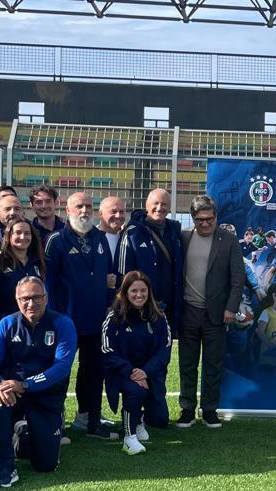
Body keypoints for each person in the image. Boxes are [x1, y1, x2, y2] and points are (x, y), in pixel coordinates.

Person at [0, 276, 77, 488]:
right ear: (17, 300)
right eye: (25, 299)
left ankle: (25, 433)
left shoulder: (63, 324)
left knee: (46, 466)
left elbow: (61, 367)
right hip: (12, 392)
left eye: (36, 297)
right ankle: (5, 467)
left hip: (46, 394)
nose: (30, 303)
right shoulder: (7, 323)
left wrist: (25, 384)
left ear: (46, 298)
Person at [44, 192, 112, 438]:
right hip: (65, 321)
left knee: (93, 372)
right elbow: (48, 283)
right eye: (79, 206)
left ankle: (89, 420)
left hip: (95, 320)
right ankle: (54, 424)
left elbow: (109, 277)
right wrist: (55, 317)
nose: (84, 211)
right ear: (67, 209)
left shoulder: (100, 239)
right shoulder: (56, 240)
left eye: (88, 206)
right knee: (59, 373)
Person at [175, 195, 244, 429]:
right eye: (199, 219)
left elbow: (238, 278)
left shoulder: (229, 240)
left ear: (216, 217)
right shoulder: (183, 237)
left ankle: (209, 410)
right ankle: (186, 409)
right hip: (188, 310)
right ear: (193, 218)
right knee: (187, 363)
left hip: (217, 313)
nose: (204, 223)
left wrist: (231, 308)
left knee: (213, 364)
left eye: (209, 219)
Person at [101, 271, 172, 455]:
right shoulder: (114, 316)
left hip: (149, 373)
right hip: (122, 372)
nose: (139, 295)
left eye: (143, 290)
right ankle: (128, 437)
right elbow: (107, 351)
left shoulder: (159, 314)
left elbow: (164, 350)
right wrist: (131, 371)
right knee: (136, 390)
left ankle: (138, 417)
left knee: (159, 419)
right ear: (125, 292)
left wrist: (146, 372)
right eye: (134, 291)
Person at [127, 188, 182, 328]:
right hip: (141, 304)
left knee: (163, 346)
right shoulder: (133, 233)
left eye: (164, 204)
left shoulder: (175, 231)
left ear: (169, 207)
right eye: (155, 203)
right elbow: (125, 273)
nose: (159, 208)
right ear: (146, 206)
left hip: (169, 305)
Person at [0, 217, 45, 315]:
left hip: (34, 320)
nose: (22, 237)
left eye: (27, 233)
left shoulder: (38, 261)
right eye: (18, 232)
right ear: (9, 236)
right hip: (8, 321)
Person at [98, 195, 135, 294]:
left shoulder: (130, 239)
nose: (118, 216)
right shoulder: (90, 238)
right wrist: (101, 280)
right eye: (113, 212)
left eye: (122, 212)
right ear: (100, 214)